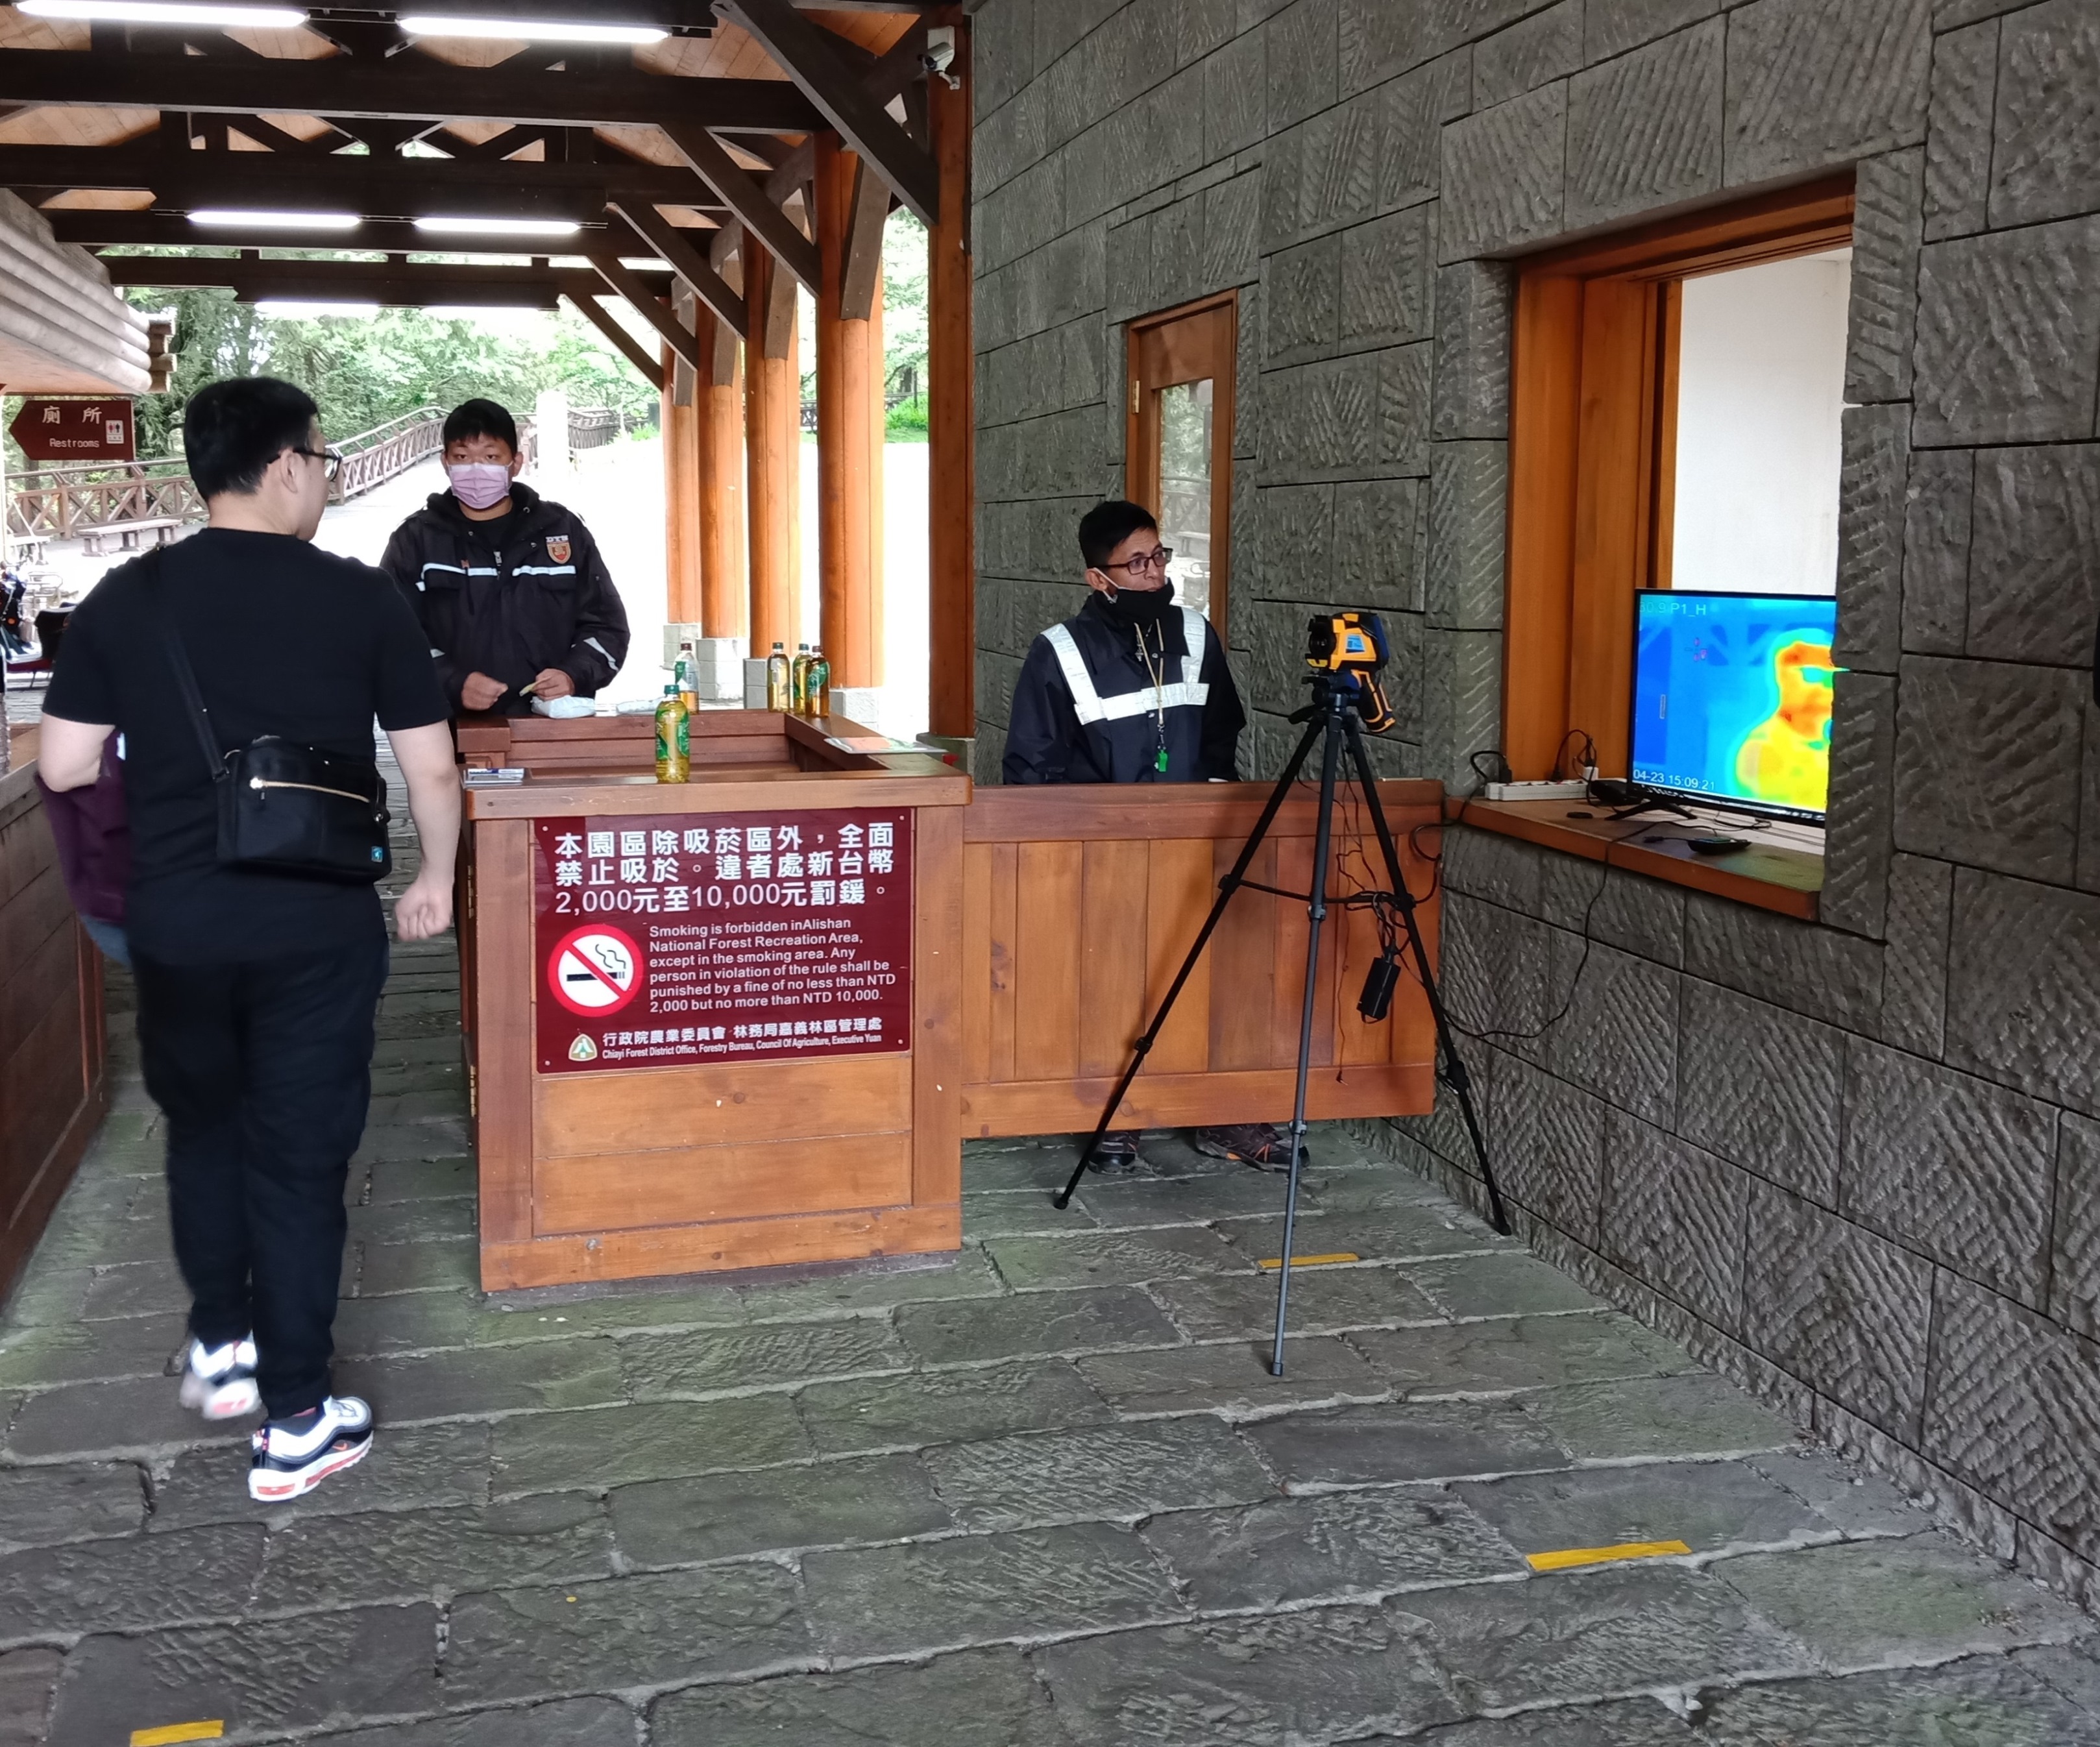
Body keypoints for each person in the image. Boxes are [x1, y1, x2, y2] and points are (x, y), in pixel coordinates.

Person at [38, 376, 459, 1502]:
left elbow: (65, 765)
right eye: (321, 460)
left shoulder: (126, 598)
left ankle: (222, 1346)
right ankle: (297, 1420)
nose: (322, 478)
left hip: (178, 926)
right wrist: (436, 877)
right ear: (283, 467)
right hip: (314, 926)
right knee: (298, 1160)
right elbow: (430, 767)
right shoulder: (360, 599)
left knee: (204, 1128)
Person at [1002, 498, 1283, 1172]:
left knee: (1207, 976)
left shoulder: (1194, 634)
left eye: (1158, 556)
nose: (1155, 573)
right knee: (1113, 980)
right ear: (1097, 578)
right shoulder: (1059, 651)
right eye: (1136, 563)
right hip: (1101, 852)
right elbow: (1031, 768)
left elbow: (1220, 735)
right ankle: (1117, 1113)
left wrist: (1210, 817)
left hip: (1193, 844)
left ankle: (1218, 1110)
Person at [380, 397, 629, 716]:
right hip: (450, 727)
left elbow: (607, 625)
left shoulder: (562, 530)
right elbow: (390, 635)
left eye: (491, 457)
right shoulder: (416, 539)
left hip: (550, 722)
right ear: (445, 462)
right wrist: (453, 682)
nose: (476, 469)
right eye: (462, 457)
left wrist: (572, 674)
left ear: (516, 462)